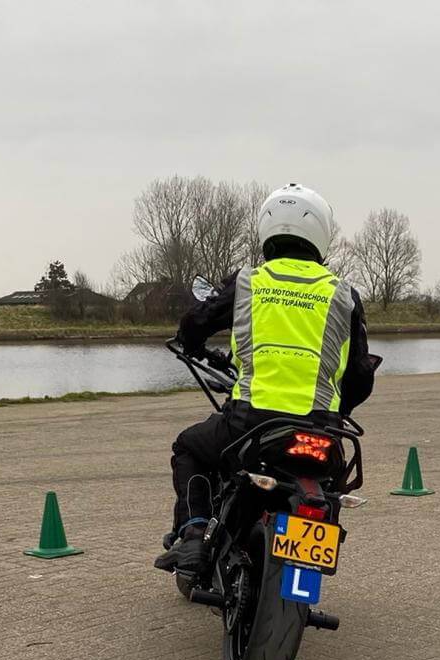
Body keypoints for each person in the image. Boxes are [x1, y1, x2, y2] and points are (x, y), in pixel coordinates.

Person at [154, 182, 379, 576]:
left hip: (249, 424)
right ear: (322, 232)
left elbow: (196, 323)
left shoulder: (248, 282)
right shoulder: (343, 295)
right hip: (320, 433)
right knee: (328, 486)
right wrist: (336, 408)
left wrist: (191, 343)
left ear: (267, 229)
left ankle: (193, 535)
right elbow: (360, 374)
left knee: (188, 447)